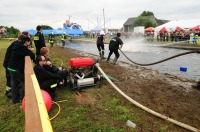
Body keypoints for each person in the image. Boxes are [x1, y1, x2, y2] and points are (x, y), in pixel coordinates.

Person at [8, 36, 35, 104]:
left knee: (14, 83)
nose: (30, 42)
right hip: (15, 69)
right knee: (25, 83)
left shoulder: (17, 45)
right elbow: (31, 54)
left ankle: (15, 100)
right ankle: (22, 99)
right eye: (29, 41)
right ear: (26, 42)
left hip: (10, 67)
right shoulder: (22, 48)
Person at [3, 32, 30, 98]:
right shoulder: (16, 45)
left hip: (10, 65)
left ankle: (14, 95)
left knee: (13, 80)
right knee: (10, 79)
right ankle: (9, 92)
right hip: (9, 64)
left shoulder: (17, 43)